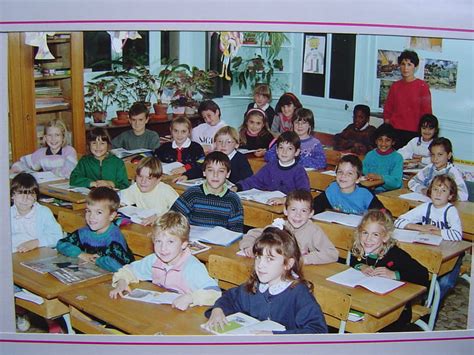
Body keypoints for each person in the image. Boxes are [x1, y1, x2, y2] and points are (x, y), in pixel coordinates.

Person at [204, 227, 328, 334]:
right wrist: (218, 310)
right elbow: (230, 297)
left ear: (288, 264)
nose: (260, 265)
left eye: (269, 259)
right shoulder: (256, 285)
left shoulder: (298, 293)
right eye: (258, 257)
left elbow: (317, 331)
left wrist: (276, 337)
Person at [109, 211, 221, 310]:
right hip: (163, 310)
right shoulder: (155, 260)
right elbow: (129, 270)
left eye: (170, 242)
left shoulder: (192, 267)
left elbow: (215, 293)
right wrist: (121, 282)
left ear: (184, 244)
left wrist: (191, 297)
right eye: (158, 241)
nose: (163, 248)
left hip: (186, 315)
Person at [350, 209, 429, 330]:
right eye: (365, 233)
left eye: (375, 234)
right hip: (367, 301)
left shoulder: (396, 255)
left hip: (395, 311)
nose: (368, 239)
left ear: (385, 237)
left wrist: (394, 274)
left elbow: (422, 275)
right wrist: (362, 266)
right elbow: (353, 261)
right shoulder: (359, 248)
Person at [395, 175, 463, 299]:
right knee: (416, 272)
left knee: (445, 283)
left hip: (450, 255)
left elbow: (457, 235)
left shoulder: (450, 211)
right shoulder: (426, 207)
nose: (438, 193)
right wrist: (421, 228)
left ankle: (432, 309)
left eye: (443, 191)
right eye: (436, 189)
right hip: (430, 249)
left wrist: (436, 232)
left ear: (450, 196)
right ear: (430, 191)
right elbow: (398, 222)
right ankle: (422, 300)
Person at [240, 189, 338, 265]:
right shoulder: (280, 226)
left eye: (303, 211)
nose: (298, 215)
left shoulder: (314, 231)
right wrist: (249, 246)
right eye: (293, 209)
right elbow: (252, 234)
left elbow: (332, 254)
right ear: (286, 211)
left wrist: (304, 259)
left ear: (311, 213)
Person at [56, 187, 135, 272]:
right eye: (88, 211)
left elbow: (118, 266)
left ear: (112, 216)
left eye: (99, 212)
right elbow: (61, 244)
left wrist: (97, 260)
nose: (91, 216)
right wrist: (80, 254)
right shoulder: (84, 232)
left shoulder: (115, 238)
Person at [171, 151, 244, 233]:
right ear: (204, 172)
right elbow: (172, 219)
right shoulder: (192, 194)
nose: (215, 175)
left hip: (219, 243)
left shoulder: (233, 200)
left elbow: (236, 231)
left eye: (221, 171)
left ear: (228, 174)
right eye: (210, 170)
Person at [236, 131, 310, 205]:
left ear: (297, 152)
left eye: (289, 149)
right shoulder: (270, 166)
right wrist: (237, 187)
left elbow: (304, 194)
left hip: (290, 207)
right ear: (276, 150)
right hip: (270, 204)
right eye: (281, 147)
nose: (284, 152)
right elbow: (254, 180)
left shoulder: (299, 171)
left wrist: (284, 200)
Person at [383, 50, 432, 148]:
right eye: (403, 64)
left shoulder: (422, 86)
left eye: (409, 64)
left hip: (414, 132)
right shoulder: (395, 86)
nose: (406, 68)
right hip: (395, 131)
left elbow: (427, 113)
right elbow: (388, 110)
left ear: (415, 67)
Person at [313, 154, 385, 215]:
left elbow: (382, 215)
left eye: (349, 173)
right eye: (340, 172)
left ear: (358, 179)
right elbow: (315, 206)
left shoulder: (365, 194)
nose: (343, 176)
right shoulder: (332, 189)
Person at [10, 173, 62, 253]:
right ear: (12, 196)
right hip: (14, 254)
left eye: (30, 194)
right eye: (20, 193)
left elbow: (57, 236)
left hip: (37, 251)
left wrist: (36, 242)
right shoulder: (7, 213)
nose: (25, 199)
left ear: (35, 197)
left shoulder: (43, 212)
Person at [119, 156, 179, 226]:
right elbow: (120, 198)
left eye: (149, 178)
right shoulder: (135, 188)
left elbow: (180, 214)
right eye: (140, 176)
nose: (143, 181)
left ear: (158, 180)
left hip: (163, 228)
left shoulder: (166, 191)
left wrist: (159, 217)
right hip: (143, 226)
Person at [11, 118, 77, 178]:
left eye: (57, 135)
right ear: (45, 137)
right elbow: (24, 163)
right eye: (49, 135)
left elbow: (69, 172)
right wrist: (14, 169)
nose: (53, 139)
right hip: (48, 186)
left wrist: (49, 173)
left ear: (63, 137)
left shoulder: (69, 151)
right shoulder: (41, 153)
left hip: (65, 187)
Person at [154, 116, 205, 181]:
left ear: (189, 132)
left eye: (183, 131)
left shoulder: (196, 148)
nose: (179, 135)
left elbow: (201, 165)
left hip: (188, 180)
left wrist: (185, 168)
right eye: (176, 131)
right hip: (168, 179)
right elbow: (154, 159)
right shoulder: (165, 147)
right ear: (171, 130)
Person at [362, 123, 403, 192]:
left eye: (387, 140)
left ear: (393, 142)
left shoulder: (397, 158)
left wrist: (380, 177)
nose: (383, 143)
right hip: (369, 190)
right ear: (376, 141)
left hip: (388, 193)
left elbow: (396, 183)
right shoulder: (370, 155)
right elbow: (363, 171)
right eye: (380, 139)